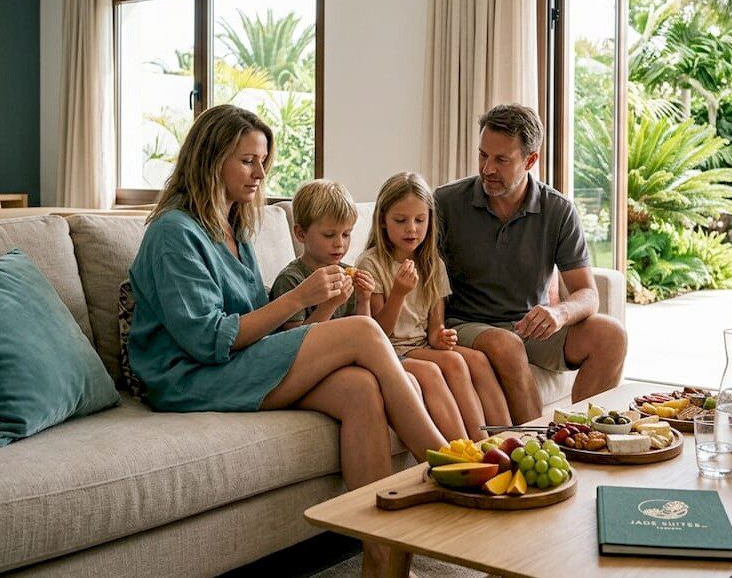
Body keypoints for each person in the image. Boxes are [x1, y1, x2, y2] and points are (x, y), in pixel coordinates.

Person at [126, 105, 444, 577]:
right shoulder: (174, 232)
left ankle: (383, 564)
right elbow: (207, 338)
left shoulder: (234, 227)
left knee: (360, 390)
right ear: (211, 159)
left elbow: (261, 323)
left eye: (263, 161)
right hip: (189, 376)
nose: (260, 173)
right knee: (362, 330)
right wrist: (301, 295)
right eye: (248, 161)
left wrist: (314, 310)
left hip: (235, 362)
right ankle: (448, 463)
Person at [436, 104, 628, 424]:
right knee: (507, 344)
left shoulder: (558, 210)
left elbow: (587, 293)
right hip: (465, 325)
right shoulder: (445, 203)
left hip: (529, 328)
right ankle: (537, 448)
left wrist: (558, 312)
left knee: (611, 335)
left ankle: (581, 438)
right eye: (483, 155)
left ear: (530, 160)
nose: (487, 169)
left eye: (501, 160)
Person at [357, 172, 512, 440]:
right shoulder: (371, 264)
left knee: (475, 359)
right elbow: (377, 334)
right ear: (383, 221)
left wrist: (441, 337)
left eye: (420, 220)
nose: (412, 229)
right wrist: (398, 293)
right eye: (401, 220)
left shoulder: (433, 263)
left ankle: (506, 440)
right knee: (449, 365)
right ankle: (471, 448)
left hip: (420, 346)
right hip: (390, 350)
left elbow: (434, 328)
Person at [270, 179, 377, 328]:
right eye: (329, 235)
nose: (340, 243)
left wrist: (364, 299)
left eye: (346, 234)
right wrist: (330, 305)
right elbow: (295, 342)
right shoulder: (291, 280)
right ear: (301, 234)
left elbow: (364, 330)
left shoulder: (348, 276)